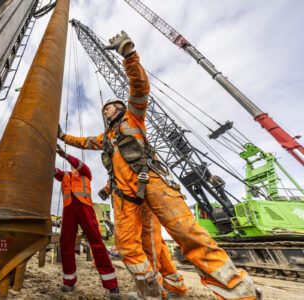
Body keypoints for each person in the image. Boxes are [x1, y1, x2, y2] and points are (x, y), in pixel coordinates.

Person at [58, 31, 261, 300]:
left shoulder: (134, 118)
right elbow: (83, 142)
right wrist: (62, 137)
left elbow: (139, 87)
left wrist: (129, 55)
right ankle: (152, 294)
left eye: (111, 107)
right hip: (124, 195)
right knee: (128, 246)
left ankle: (238, 293)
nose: (106, 110)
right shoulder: (105, 138)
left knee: (186, 232)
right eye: (105, 109)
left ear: (119, 108)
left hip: (151, 181)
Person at [54, 144, 121, 300]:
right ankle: (69, 281)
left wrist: (65, 155)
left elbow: (79, 164)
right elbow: (55, 172)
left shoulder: (85, 172)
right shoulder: (65, 175)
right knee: (65, 244)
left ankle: (112, 286)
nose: (73, 167)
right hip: (68, 209)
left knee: (96, 242)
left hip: (84, 207)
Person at [99, 182, 187, 298]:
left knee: (147, 242)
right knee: (156, 244)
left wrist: (107, 189)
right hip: (141, 194)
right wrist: (107, 189)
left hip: (136, 197)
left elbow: (122, 170)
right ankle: (175, 285)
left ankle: (152, 292)